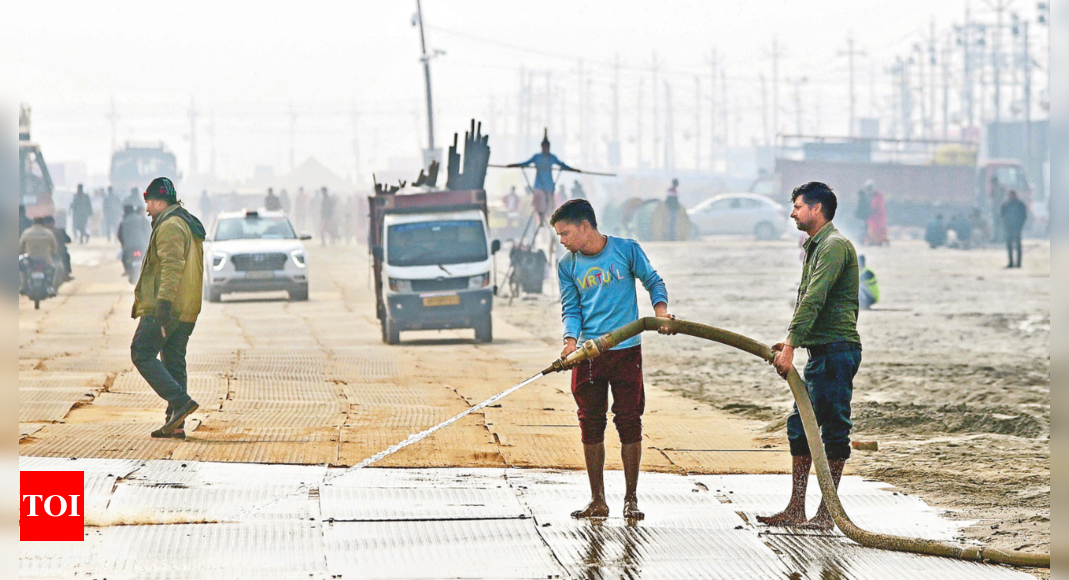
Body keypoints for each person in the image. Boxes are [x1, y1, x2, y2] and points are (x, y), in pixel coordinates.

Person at [552, 199, 672, 521]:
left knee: (629, 420)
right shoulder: (568, 265)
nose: (561, 240)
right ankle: (598, 500)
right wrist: (569, 344)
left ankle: (631, 499)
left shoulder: (626, 250)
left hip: (626, 350)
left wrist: (661, 313)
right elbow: (571, 309)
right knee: (590, 423)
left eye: (565, 233)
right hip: (588, 355)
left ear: (585, 226)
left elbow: (653, 281)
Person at [760, 181, 862, 530]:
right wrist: (792, 342)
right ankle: (796, 508)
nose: (792, 213)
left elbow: (814, 298)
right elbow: (811, 304)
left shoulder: (833, 247)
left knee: (833, 431)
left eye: (798, 207)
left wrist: (791, 344)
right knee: (800, 427)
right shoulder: (817, 246)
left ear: (816, 209)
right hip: (822, 352)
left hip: (837, 352)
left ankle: (826, 514)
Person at [130, 177, 205, 439]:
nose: (147, 209)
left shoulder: (171, 226)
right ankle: (175, 423)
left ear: (160, 201)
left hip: (167, 307)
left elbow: (172, 267)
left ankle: (180, 401)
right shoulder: (185, 221)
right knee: (173, 360)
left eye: (149, 203)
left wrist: (163, 304)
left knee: (141, 352)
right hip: (186, 308)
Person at [507, 129, 580, 224]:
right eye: (544, 147)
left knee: (549, 206)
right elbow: (526, 163)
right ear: (541, 147)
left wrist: (574, 170)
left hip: (549, 185)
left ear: (549, 147)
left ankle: (548, 219)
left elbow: (563, 165)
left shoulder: (552, 158)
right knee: (539, 202)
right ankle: (541, 218)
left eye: (547, 147)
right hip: (539, 185)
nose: (545, 149)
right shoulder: (537, 157)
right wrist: (514, 165)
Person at [18, 216, 61, 293]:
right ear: (43, 223)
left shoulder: (27, 232)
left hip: (30, 259)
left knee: (22, 269)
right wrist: (53, 253)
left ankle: (23, 285)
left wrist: (22, 252)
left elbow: (20, 246)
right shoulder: (48, 233)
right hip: (46, 259)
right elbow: (54, 246)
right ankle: (50, 286)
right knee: (53, 269)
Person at [117, 204, 151, 276]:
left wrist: (124, 244)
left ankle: (128, 270)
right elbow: (148, 231)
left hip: (128, 248)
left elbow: (119, 235)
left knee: (124, 257)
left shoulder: (123, 222)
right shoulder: (141, 219)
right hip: (142, 245)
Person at [1000, 190, 1028, 268]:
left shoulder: (1020, 205)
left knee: (1018, 246)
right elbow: (1002, 214)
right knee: (1009, 246)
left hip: (1017, 228)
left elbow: (1024, 216)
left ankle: (1018, 263)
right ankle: (1011, 263)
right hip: (1009, 228)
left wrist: (1020, 226)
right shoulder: (1006, 204)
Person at [44, 215, 72, 282]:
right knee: (65, 256)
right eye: (48, 223)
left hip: (56, 253)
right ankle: (66, 274)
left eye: (49, 223)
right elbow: (68, 240)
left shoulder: (42, 232)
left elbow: (68, 240)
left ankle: (66, 274)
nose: (49, 225)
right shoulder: (59, 231)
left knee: (66, 256)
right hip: (53, 253)